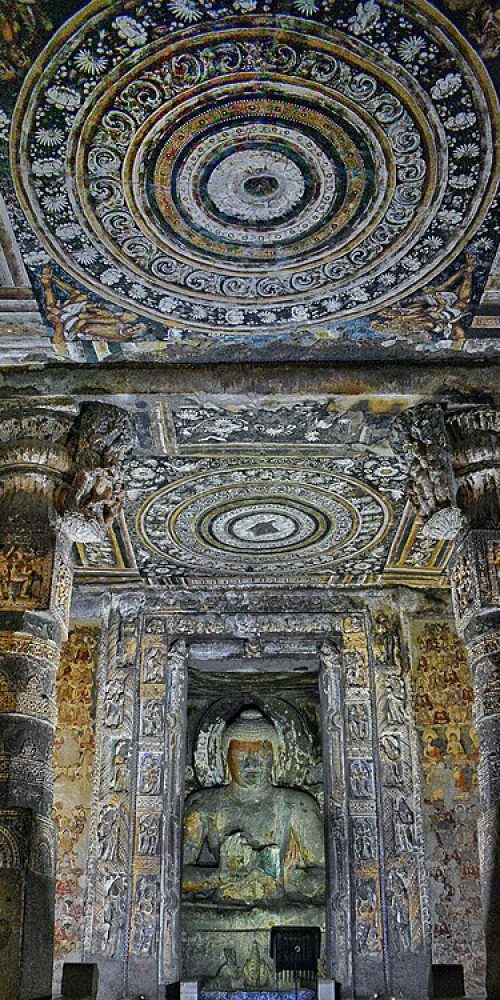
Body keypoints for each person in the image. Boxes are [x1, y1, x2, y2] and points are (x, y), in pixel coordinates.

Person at [182, 708, 325, 906]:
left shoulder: (296, 805)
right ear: (225, 758)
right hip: (220, 909)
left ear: (275, 758)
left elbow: (327, 874)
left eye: (261, 755)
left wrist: (300, 881)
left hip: (278, 908)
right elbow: (175, 877)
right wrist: (222, 876)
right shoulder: (204, 805)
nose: (251, 764)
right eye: (241, 755)